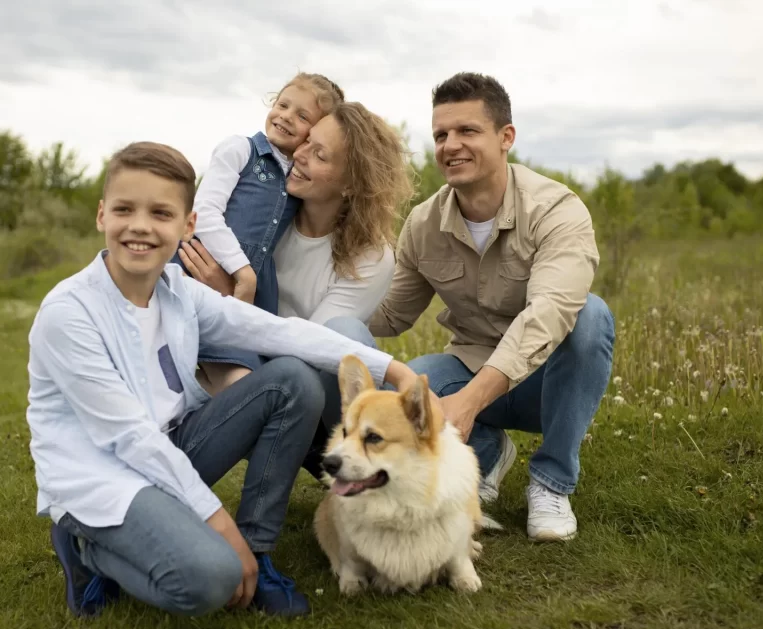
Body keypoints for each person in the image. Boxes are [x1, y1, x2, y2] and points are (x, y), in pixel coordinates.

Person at [26, 141, 421, 620]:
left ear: (188, 225)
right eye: (125, 209)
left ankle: (258, 552)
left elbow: (278, 332)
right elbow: (127, 439)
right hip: (104, 471)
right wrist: (218, 523)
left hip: (172, 445)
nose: (141, 227)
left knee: (293, 380)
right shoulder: (69, 314)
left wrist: (390, 369)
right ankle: (85, 544)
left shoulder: (178, 292)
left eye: (161, 212)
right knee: (209, 580)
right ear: (101, 214)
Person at [365, 72, 616, 542]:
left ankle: (551, 482)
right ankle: (485, 452)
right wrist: (311, 298)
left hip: (549, 386)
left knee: (590, 316)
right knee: (414, 378)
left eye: (467, 131)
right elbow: (390, 315)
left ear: (506, 138)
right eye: (441, 134)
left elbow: (550, 314)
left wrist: (470, 401)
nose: (450, 145)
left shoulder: (556, 209)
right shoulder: (423, 223)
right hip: (470, 370)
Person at [178, 100, 414, 478]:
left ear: (351, 183)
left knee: (347, 335)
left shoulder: (371, 256)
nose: (298, 155)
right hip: (237, 364)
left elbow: (311, 352)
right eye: (306, 142)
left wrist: (231, 298)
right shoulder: (267, 219)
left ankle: (353, 461)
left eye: (318, 154)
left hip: (311, 395)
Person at [178, 72, 345, 395]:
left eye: (302, 116)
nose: (285, 116)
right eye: (282, 104)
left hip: (255, 297)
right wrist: (243, 273)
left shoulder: (297, 179)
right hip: (202, 269)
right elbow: (205, 213)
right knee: (229, 379)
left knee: (244, 381)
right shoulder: (240, 149)